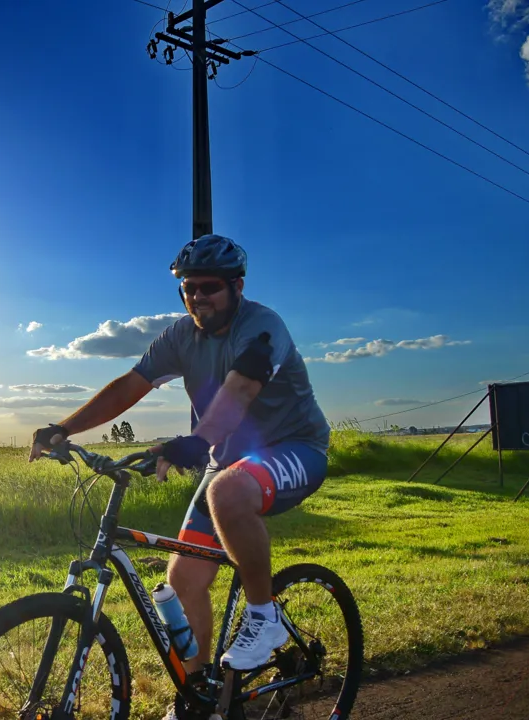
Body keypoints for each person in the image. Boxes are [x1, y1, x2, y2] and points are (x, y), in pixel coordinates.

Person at [28, 234, 330, 692]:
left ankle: (264, 616)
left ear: (237, 287)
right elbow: (130, 385)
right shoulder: (179, 336)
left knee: (226, 490)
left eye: (209, 287)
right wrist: (64, 430)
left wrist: (196, 441)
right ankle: (198, 694)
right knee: (184, 578)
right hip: (227, 460)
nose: (198, 297)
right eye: (189, 288)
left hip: (295, 448)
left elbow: (241, 389)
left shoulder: (262, 328)